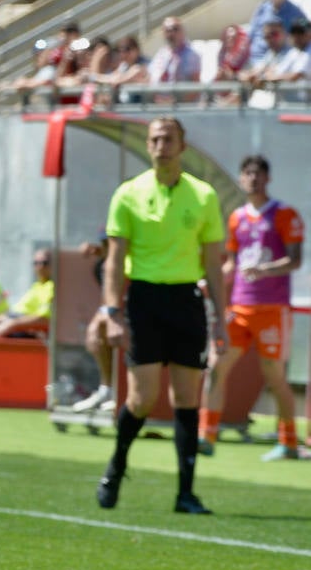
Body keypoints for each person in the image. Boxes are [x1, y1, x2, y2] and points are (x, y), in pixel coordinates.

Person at [95, 116, 226, 514]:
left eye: (168, 139)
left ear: (182, 146)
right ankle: (116, 467)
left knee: (187, 397)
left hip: (187, 301)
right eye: (154, 139)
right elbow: (114, 262)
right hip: (145, 302)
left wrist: (221, 317)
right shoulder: (128, 194)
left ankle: (185, 493)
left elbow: (214, 265)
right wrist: (112, 313)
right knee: (142, 398)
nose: (160, 146)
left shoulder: (203, 196)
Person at [199, 155, 303, 461]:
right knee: (216, 366)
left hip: (272, 309)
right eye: (247, 174)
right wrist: (213, 280)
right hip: (240, 307)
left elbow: (295, 260)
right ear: (241, 179)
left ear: (267, 179)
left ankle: (289, 442)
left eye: (258, 174)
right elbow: (232, 263)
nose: (252, 179)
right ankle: (206, 436)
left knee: (274, 374)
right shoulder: (236, 217)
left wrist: (265, 269)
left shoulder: (284, 214)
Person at [72, 235, 117, 412]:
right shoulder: (103, 265)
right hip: (115, 313)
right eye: (105, 243)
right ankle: (108, 389)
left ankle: (118, 391)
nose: (109, 247)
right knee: (99, 335)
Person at [0, 248, 53, 338]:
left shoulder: (55, 288)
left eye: (44, 263)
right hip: (14, 322)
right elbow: (14, 314)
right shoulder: (37, 286)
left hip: (26, 330)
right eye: (36, 263)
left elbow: (44, 319)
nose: (40, 267)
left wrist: (11, 325)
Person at [246, 0, 307, 69]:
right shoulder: (261, 9)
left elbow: (307, 36)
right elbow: (250, 37)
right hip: (256, 60)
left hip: (282, 62)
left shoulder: (296, 12)